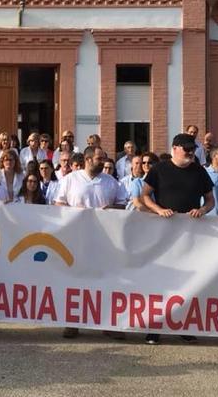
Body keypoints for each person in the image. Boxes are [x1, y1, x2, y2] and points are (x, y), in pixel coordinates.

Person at [140, 133, 214, 345]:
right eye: (186, 149)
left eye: (192, 149)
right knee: (160, 280)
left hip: (190, 234)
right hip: (163, 233)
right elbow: (145, 195)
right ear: (174, 148)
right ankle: (154, 328)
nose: (190, 153)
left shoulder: (199, 171)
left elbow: (210, 200)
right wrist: (158, 209)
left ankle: (184, 325)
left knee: (187, 280)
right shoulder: (159, 169)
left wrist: (202, 210)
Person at [55, 145, 127, 338]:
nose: (103, 161)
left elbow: (122, 204)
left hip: (105, 240)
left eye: (103, 158)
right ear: (87, 159)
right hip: (77, 239)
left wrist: (110, 208)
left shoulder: (111, 182)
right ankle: (72, 322)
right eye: (99, 158)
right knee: (75, 280)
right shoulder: (70, 180)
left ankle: (108, 323)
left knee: (106, 280)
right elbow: (59, 204)